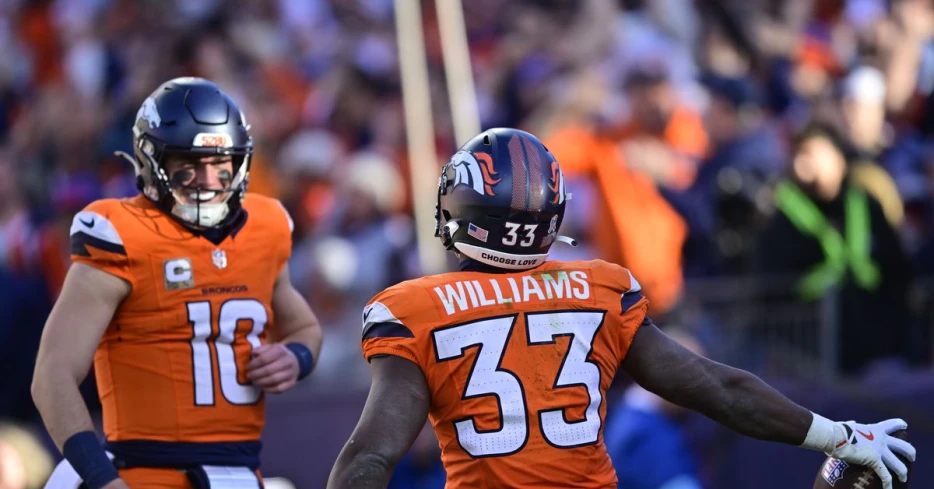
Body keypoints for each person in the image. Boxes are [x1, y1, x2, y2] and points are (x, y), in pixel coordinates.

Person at [327, 128, 915, 489]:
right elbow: (720, 390)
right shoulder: (599, 290)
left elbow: (369, 457)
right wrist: (836, 436)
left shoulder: (416, 307)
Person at [32, 77, 323, 489]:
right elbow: (52, 375)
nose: (207, 180)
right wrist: (103, 480)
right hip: (142, 471)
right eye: (188, 165)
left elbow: (305, 328)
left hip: (238, 474)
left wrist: (295, 357)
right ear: (153, 162)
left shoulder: (266, 227)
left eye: (220, 164)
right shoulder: (121, 232)